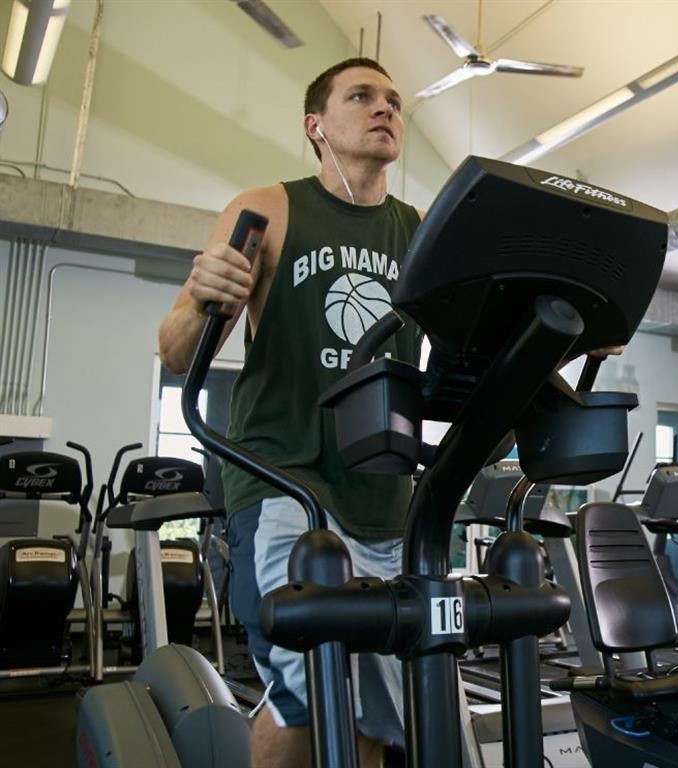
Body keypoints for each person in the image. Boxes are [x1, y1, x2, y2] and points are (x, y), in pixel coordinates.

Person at [159, 58, 417, 768]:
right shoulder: (268, 208)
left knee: (377, 708)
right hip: (282, 475)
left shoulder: (421, 233)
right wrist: (204, 295)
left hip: (383, 493)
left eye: (394, 100)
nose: (384, 109)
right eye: (361, 96)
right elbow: (176, 349)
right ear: (315, 125)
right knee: (306, 682)